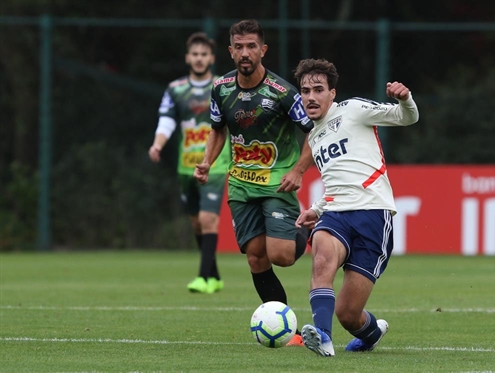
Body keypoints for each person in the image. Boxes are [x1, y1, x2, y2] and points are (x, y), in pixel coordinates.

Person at [193, 20, 313, 346]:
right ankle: (290, 333)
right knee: (256, 257)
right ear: (230, 51)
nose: (245, 53)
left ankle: (311, 227)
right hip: (241, 187)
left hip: (277, 184)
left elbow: (314, 133)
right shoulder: (221, 88)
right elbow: (217, 129)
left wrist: (298, 171)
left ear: (263, 50)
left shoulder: (284, 93)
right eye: (239, 47)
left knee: (282, 256)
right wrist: (206, 161)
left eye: (251, 46)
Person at [292, 58, 419, 357]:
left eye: (318, 90)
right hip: (335, 215)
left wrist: (405, 99)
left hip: (373, 214)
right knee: (322, 257)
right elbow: (337, 183)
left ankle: (372, 333)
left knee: (348, 314)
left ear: (332, 94)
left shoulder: (353, 110)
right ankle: (322, 336)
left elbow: (406, 118)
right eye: (305, 91)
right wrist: (317, 209)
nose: (310, 97)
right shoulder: (314, 136)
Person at [149, 32, 231, 294]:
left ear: (212, 58)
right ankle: (215, 276)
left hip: (215, 164)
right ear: (187, 57)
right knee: (196, 222)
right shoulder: (175, 89)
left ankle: (203, 277)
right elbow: (167, 120)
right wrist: (157, 144)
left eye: (203, 54)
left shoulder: (223, 86)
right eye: (194, 54)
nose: (199, 58)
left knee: (208, 219)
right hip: (186, 166)